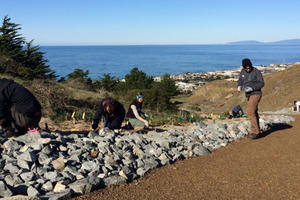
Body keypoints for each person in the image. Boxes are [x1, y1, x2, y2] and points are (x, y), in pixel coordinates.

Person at [238, 58, 264, 139]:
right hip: (248, 95)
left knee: (250, 111)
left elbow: (262, 83)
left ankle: (255, 132)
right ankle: (258, 130)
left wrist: (252, 88)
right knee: (254, 112)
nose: (248, 69)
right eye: (246, 68)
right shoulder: (242, 72)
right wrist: (239, 85)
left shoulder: (256, 71)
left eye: (249, 67)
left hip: (256, 93)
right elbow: (240, 80)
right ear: (243, 67)